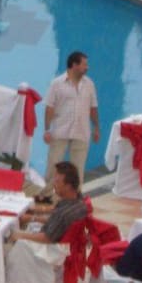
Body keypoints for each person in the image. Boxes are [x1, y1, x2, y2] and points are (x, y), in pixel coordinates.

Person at [43, 51, 99, 190]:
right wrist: (47, 130)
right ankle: (48, 194)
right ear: (74, 65)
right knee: (53, 167)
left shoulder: (89, 84)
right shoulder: (56, 84)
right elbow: (49, 108)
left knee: (78, 169)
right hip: (60, 131)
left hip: (82, 131)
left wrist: (96, 127)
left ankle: (76, 196)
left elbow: (93, 108)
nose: (87, 67)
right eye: (84, 64)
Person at [13, 161, 87, 243]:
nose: (54, 184)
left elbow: (46, 238)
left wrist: (19, 235)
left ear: (68, 186)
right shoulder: (78, 200)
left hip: (48, 245)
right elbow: (57, 222)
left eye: (57, 181)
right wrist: (32, 217)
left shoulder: (63, 213)